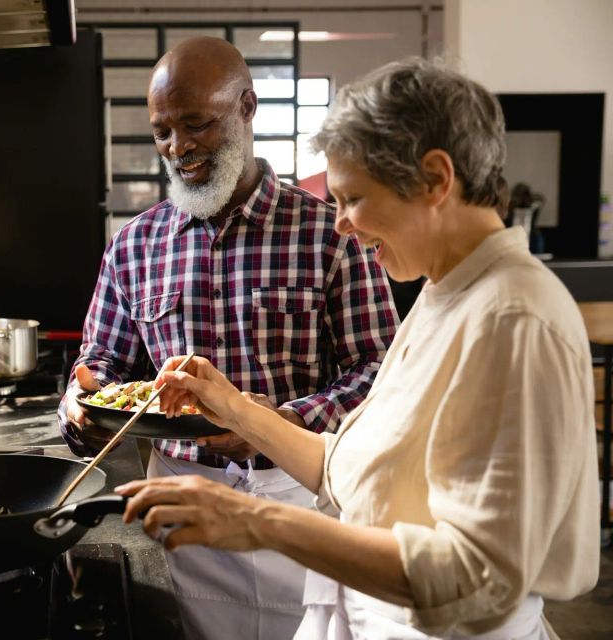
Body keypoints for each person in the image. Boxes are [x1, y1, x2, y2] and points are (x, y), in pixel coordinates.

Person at [118, 57, 600, 639]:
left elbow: (479, 581)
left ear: (435, 180)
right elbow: (347, 474)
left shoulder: (514, 319)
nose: (341, 224)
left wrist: (257, 519)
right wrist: (233, 406)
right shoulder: (447, 288)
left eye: (353, 199)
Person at [58, 37, 399, 639]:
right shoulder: (134, 245)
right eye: (162, 131)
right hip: (183, 503)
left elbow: (382, 373)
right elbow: (102, 362)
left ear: (246, 107)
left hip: (299, 496)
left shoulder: (331, 233)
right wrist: (79, 403)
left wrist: (281, 420)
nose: (177, 147)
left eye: (196, 124)